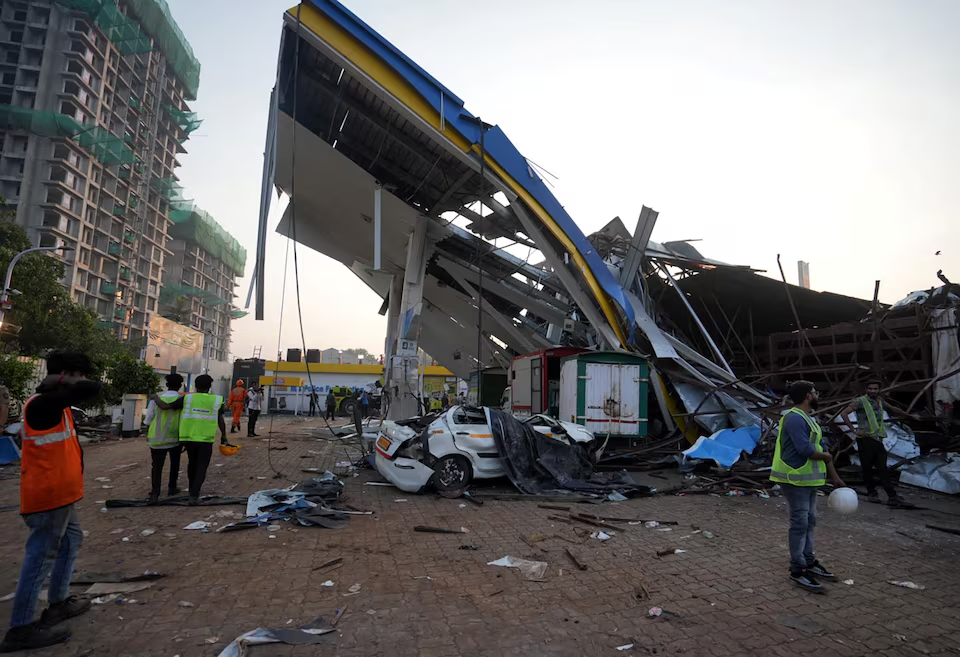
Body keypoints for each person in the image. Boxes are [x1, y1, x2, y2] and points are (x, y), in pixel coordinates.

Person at [2, 352, 100, 652]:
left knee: (71, 542)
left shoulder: (58, 405)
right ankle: (20, 629)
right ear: (67, 375)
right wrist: (63, 380)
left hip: (63, 496)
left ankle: (58, 603)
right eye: (78, 374)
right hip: (48, 498)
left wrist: (62, 381)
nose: (82, 380)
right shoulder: (43, 405)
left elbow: (86, 389)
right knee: (40, 559)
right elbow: (91, 388)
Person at [771, 381, 845, 593]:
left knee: (809, 521)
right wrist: (828, 457)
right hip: (794, 480)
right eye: (815, 391)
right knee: (799, 524)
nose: (817, 393)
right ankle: (798, 569)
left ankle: (809, 560)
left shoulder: (807, 418)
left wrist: (833, 476)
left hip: (808, 480)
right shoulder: (794, 418)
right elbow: (805, 449)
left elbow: (817, 447)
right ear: (808, 396)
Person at [153, 375, 228, 505]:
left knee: (192, 463)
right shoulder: (216, 400)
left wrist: (155, 398)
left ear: (196, 385)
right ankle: (194, 493)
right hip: (205, 438)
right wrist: (224, 435)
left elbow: (165, 407)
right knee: (202, 466)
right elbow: (220, 419)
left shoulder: (187, 398)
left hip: (188, 438)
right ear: (210, 386)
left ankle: (192, 489)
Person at [835, 380, 907, 506]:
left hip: (877, 439)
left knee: (882, 468)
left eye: (875, 389)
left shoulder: (880, 401)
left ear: (879, 390)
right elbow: (844, 413)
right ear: (866, 389)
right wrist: (854, 430)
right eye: (870, 388)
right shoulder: (860, 401)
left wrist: (909, 415)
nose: (873, 391)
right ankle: (873, 493)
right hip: (865, 439)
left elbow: (892, 408)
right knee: (867, 468)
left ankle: (891, 495)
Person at [143, 373, 184, 505]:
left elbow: (148, 419)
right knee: (175, 463)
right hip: (175, 437)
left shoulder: (156, 399)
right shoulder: (182, 400)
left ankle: (155, 493)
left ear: (166, 385)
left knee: (156, 466)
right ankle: (172, 488)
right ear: (180, 385)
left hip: (157, 437)